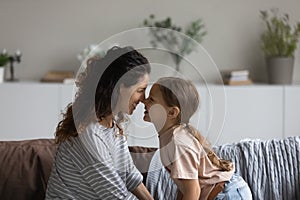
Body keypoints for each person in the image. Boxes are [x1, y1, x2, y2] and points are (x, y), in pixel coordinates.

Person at [46, 46, 154, 200]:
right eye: (140, 90)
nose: (143, 98)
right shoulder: (89, 134)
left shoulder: (112, 125)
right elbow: (116, 196)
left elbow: (131, 177)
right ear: (120, 86)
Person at [143, 77, 252, 200]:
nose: (144, 101)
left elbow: (193, 191)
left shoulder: (177, 142)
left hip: (228, 194)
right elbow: (184, 187)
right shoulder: (170, 138)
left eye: (151, 99)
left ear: (172, 113)